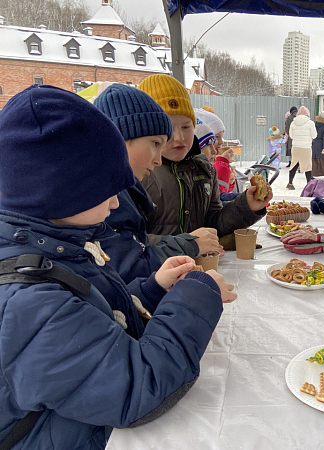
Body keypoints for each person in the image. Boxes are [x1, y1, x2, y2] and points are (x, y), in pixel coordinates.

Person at [0, 84, 236, 449]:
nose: (115, 204)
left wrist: (152, 289)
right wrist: (197, 294)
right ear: (63, 188)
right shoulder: (30, 303)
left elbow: (94, 315)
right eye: (106, 188)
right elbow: (137, 389)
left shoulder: (61, 247)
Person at [94, 84, 223, 284]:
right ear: (119, 137)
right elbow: (126, 268)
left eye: (186, 127)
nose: (158, 160)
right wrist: (190, 245)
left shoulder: (125, 189)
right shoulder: (103, 196)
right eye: (155, 144)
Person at [137, 74, 272, 237]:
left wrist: (246, 206)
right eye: (169, 128)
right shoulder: (137, 174)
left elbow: (214, 223)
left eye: (186, 127)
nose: (179, 137)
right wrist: (189, 245)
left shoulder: (204, 169)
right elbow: (130, 242)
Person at [287, 105, 317, 190]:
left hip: (295, 147)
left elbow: (291, 135)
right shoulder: (310, 123)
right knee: (307, 165)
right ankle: (309, 184)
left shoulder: (293, 123)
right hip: (306, 147)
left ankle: (290, 183)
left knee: (294, 164)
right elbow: (314, 135)